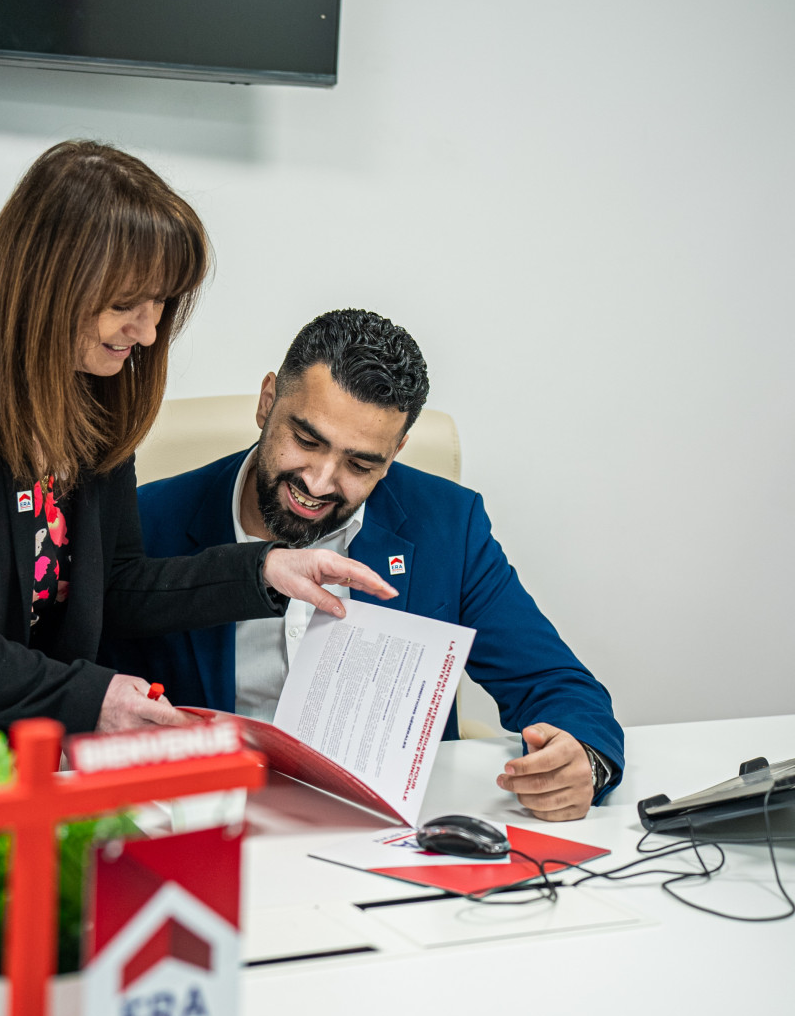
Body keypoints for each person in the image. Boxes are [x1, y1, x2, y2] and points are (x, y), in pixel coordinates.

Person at [0, 148, 393, 793]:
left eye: (162, 303)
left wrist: (261, 570)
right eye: (127, 302)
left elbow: (115, 583)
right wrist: (86, 695)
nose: (148, 332)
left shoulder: (93, 383)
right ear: (49, 279)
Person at [103, 309, 624, 820]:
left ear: (395, 452)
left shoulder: (447, 524)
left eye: (360, 463)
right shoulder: (149, 521)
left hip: (391, 837)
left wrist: (582, 759)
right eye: (306, 440)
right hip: (212, 827)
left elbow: (556, 683)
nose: (321, 482)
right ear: (267, 403)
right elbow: (79, 691)